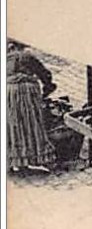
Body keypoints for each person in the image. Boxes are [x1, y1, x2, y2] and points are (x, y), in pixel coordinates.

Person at [6, 42, 55, 174]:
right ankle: (32, 159)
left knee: (12, 126)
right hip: (27, 92)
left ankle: (12, 162)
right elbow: (44, 74)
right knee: (31, 125)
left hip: (8, 92)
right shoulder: (27, 56)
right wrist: (48, 87)